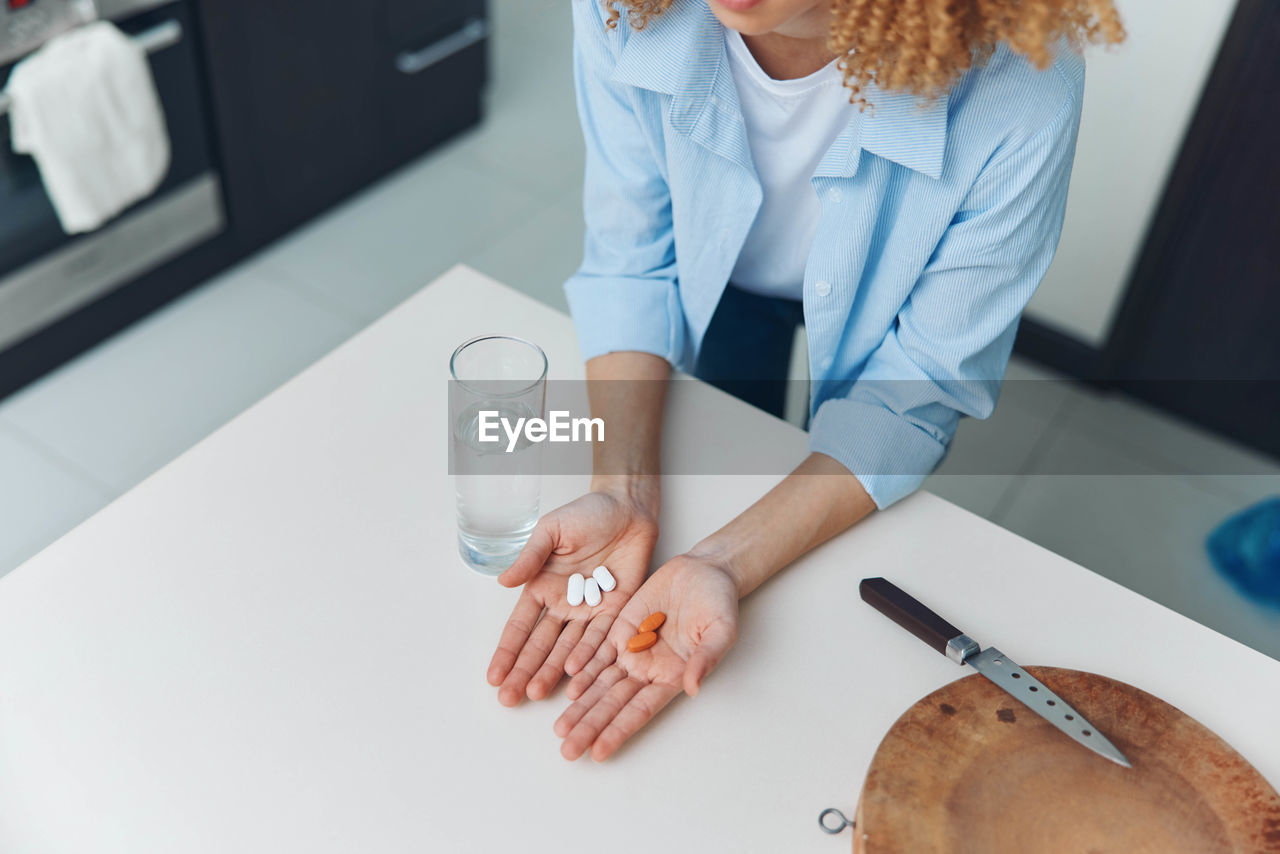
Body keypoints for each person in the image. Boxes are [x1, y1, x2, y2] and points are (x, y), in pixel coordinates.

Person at [486, 0, 1124, 761]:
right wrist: (623, 491)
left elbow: (912, 391)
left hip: (879, 300)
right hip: (721, 274)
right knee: (726, 439)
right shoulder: (623, 6)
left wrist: (724, 562)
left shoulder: (1023, 84)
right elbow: (632, 257)